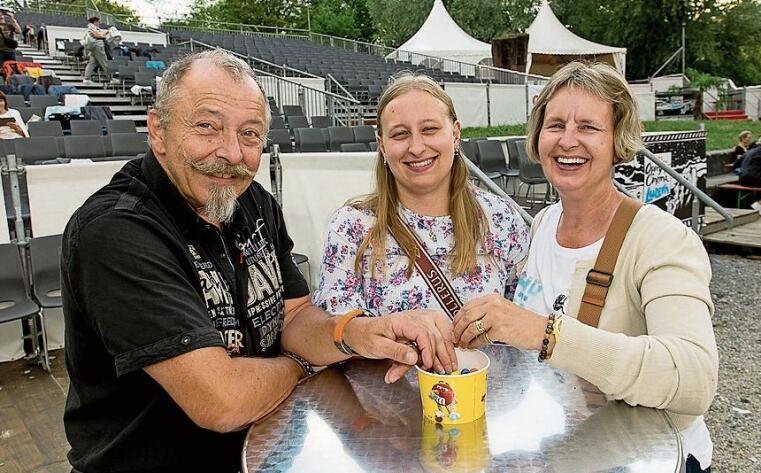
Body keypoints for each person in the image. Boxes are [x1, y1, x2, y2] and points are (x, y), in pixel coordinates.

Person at [61, 50, 452, 473]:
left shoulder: (250, 201)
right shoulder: (117, 232)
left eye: (249, 135)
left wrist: (356, 332)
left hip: (266, 453)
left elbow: (295, 315)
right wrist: (299, 365)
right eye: (207, 126)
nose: (231, 152)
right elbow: (222, 402)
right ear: (158, 130)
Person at [451, 62, 718, 473]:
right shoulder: (542, 224)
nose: (567, 140)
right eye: (555, 124)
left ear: (618, 140)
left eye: (589, 127)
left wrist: (545, 334)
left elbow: (694, 378)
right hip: (570, 451)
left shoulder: (662, 238)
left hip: (654, 457)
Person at [313, 73, 530, 374]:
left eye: (429, 130)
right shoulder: (352, 227)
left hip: (483, 401)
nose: (416, 147)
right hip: (382, 409)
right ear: (382, 145)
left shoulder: (500, 219)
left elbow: (524, 326)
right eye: (400, 134)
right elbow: (332, 332)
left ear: (455, 134)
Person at [82, 16, 108, 84]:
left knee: (92, 63)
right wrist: (103, 36)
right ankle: (111, 77)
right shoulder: (91, 27)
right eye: (98, 21)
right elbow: (96, 35)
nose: (99, 23)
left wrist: (106, 32)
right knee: (104, 62)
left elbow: (100, 34)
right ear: (95, 22)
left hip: (96, 47)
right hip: (97, 47)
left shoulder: (96, 28)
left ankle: (86, 78)